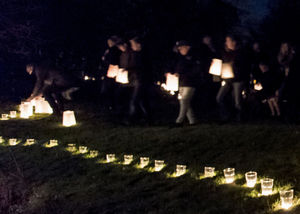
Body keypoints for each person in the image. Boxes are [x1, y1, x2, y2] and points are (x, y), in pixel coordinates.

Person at [216, 35, 248, 122]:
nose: (226, 42)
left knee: (237, 100)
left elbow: (244, 67)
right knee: (219, 97)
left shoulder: (241, 53)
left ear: (234, 42)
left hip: (238, 79)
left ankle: (240, 118)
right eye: (226, 41)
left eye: (228, 40)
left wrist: (234, 65)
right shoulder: (226, 53)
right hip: (228, 79)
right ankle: (226, 116)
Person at [126, 37, 152, 123]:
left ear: (139, 45)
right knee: (142, 100)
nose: (132, 46)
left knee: (134, 100)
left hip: (141, 80)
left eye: (133, 44)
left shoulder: (142, 55)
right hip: (139, 80)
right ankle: (148, 118)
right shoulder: (137, 54)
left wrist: (129, 69)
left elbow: (140, 67)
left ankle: (131, 119)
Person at [173, 40, 198, 126]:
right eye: (179, 49)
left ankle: (179, 121)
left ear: (188, 47)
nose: (180, 50)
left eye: (181, 48)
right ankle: (192, 121)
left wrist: (182, 73)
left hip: (190, 83)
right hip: (182, 83)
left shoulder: (193, 57)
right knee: (185, 102)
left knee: (184, 101)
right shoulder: (181, 58)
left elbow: (195, 71)